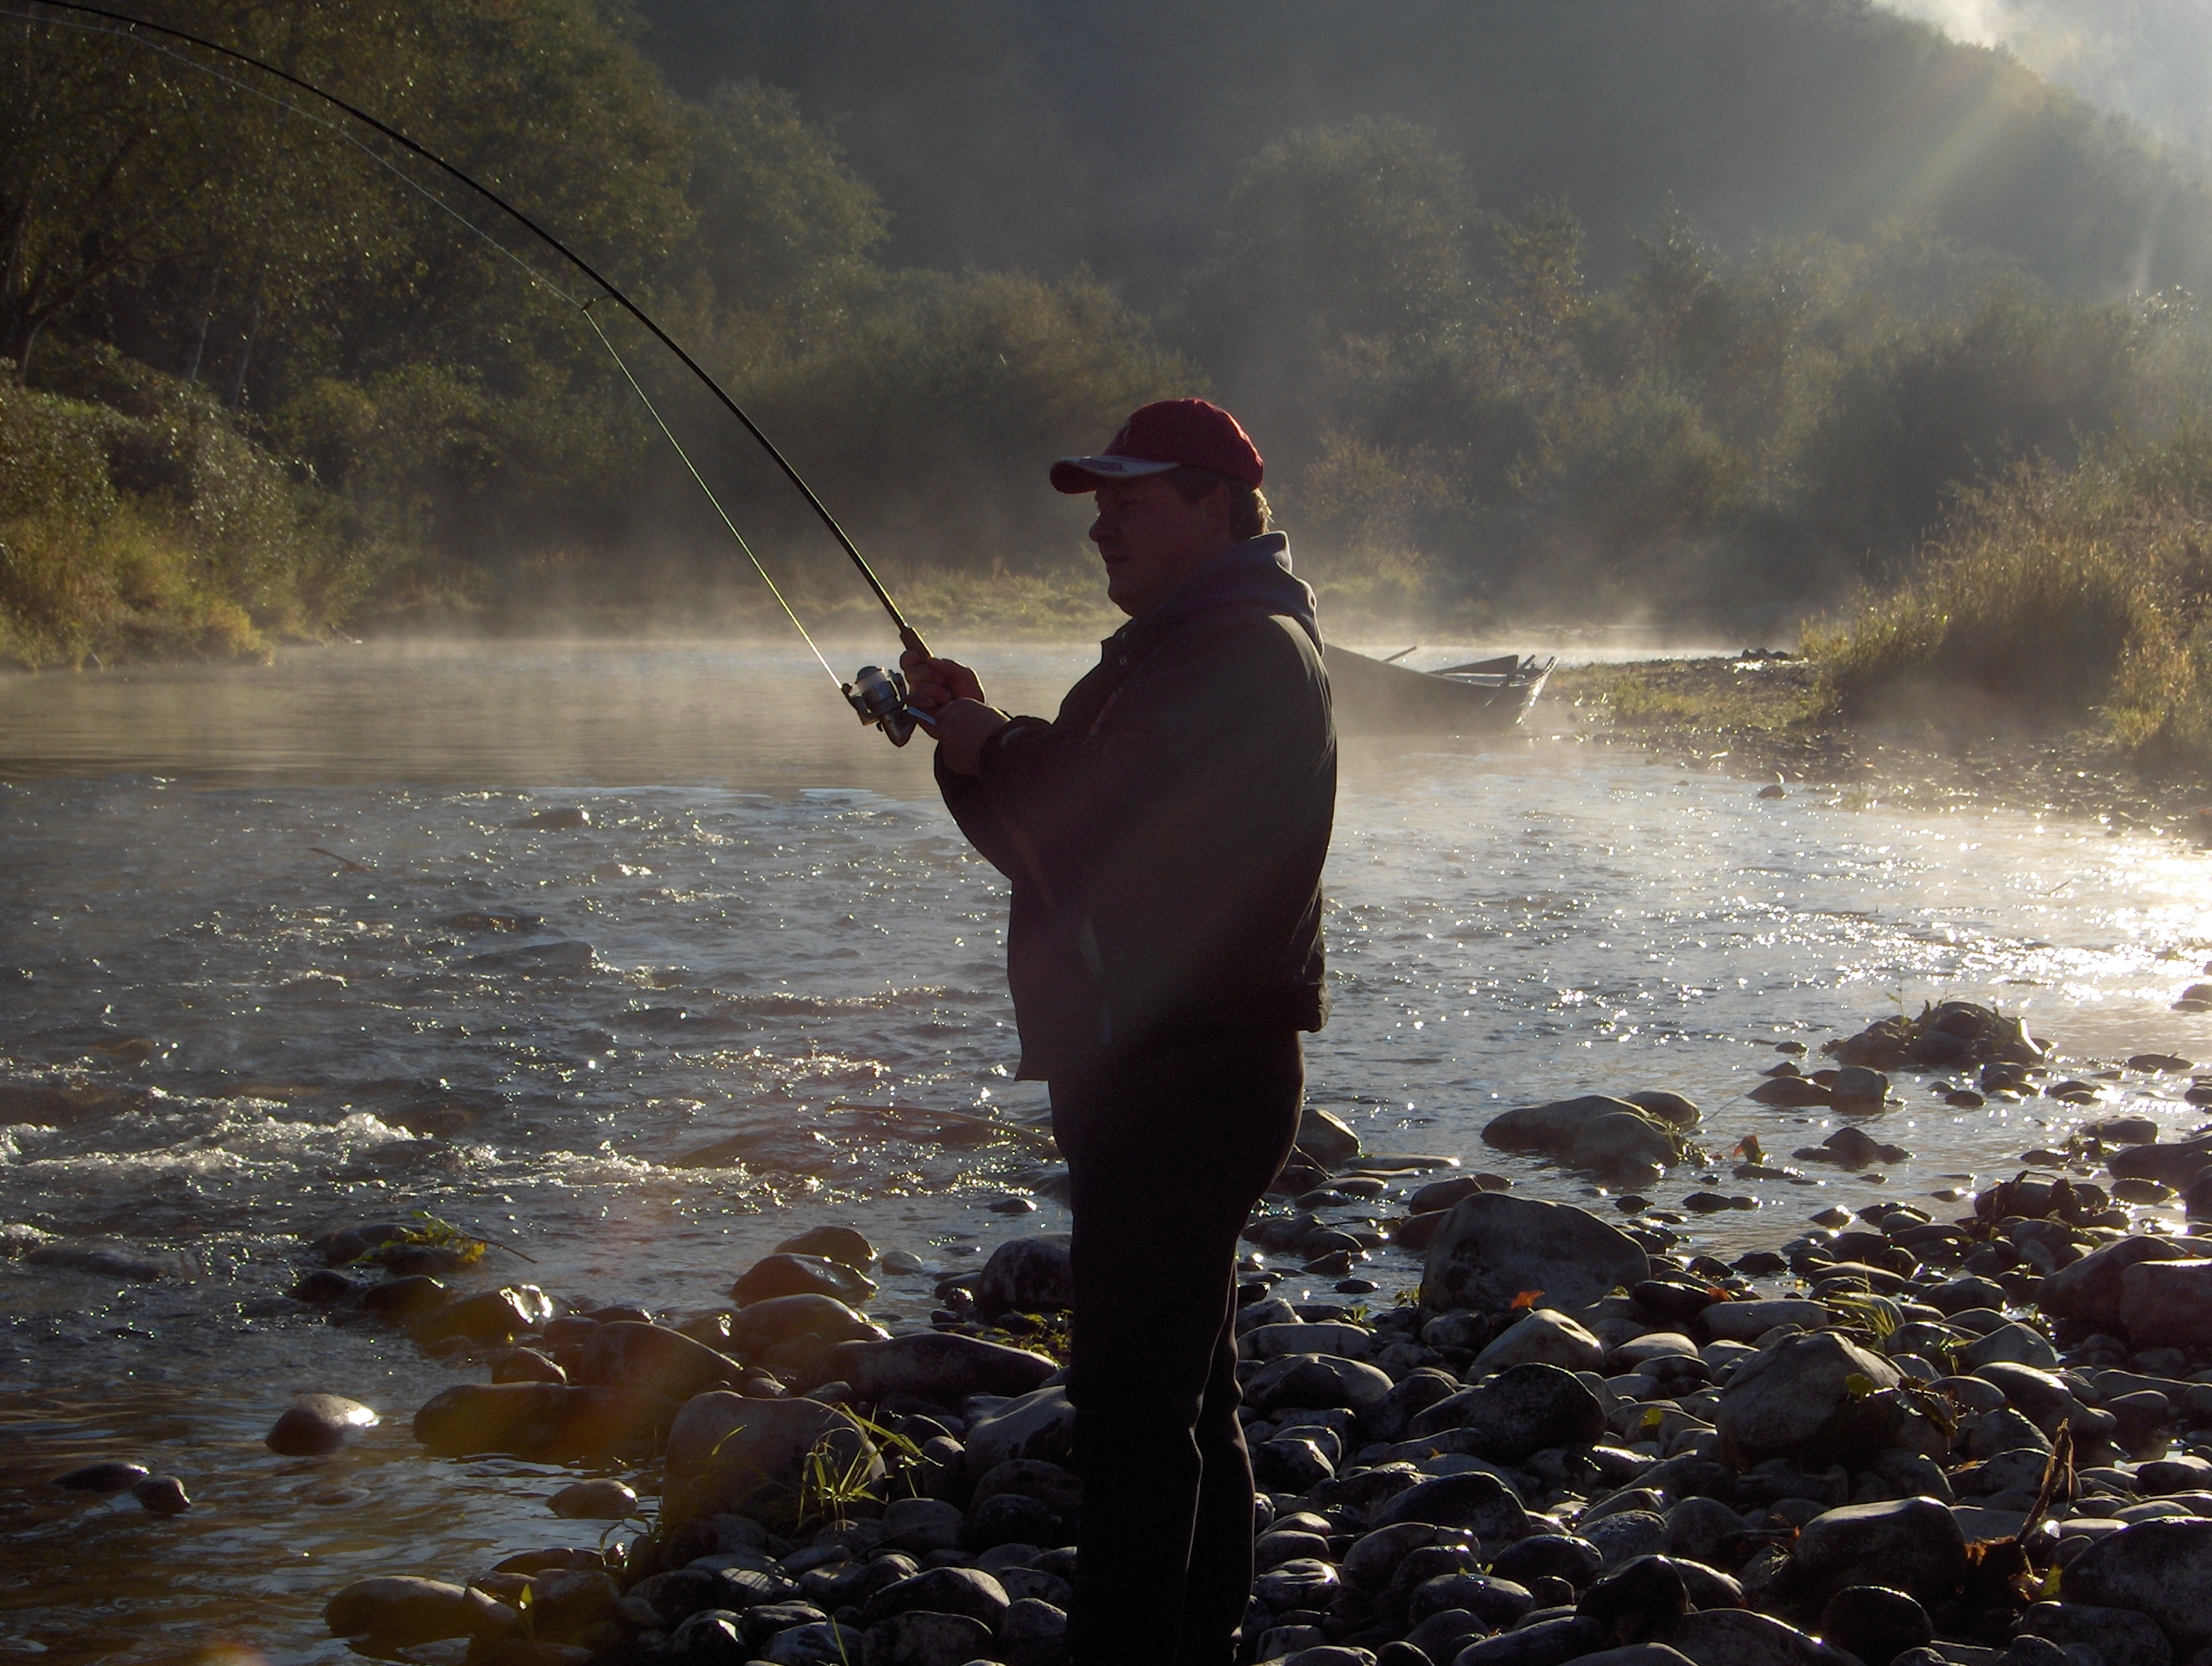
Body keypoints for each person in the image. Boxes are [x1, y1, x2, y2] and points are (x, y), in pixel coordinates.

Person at [901, 398, 1336, 1666]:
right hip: (1148, 1063)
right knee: (1183, 1395)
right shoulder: (1168, 651)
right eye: (1099, 501)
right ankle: (1199, 1637)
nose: (1102, 525)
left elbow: (1105, 820)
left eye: (1130, 500)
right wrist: (965, 747)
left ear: (1215, 506)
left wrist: (1006, 744)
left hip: (1190, 1071)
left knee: (1134, 1412)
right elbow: (1050, 855)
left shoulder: (1242, 652)